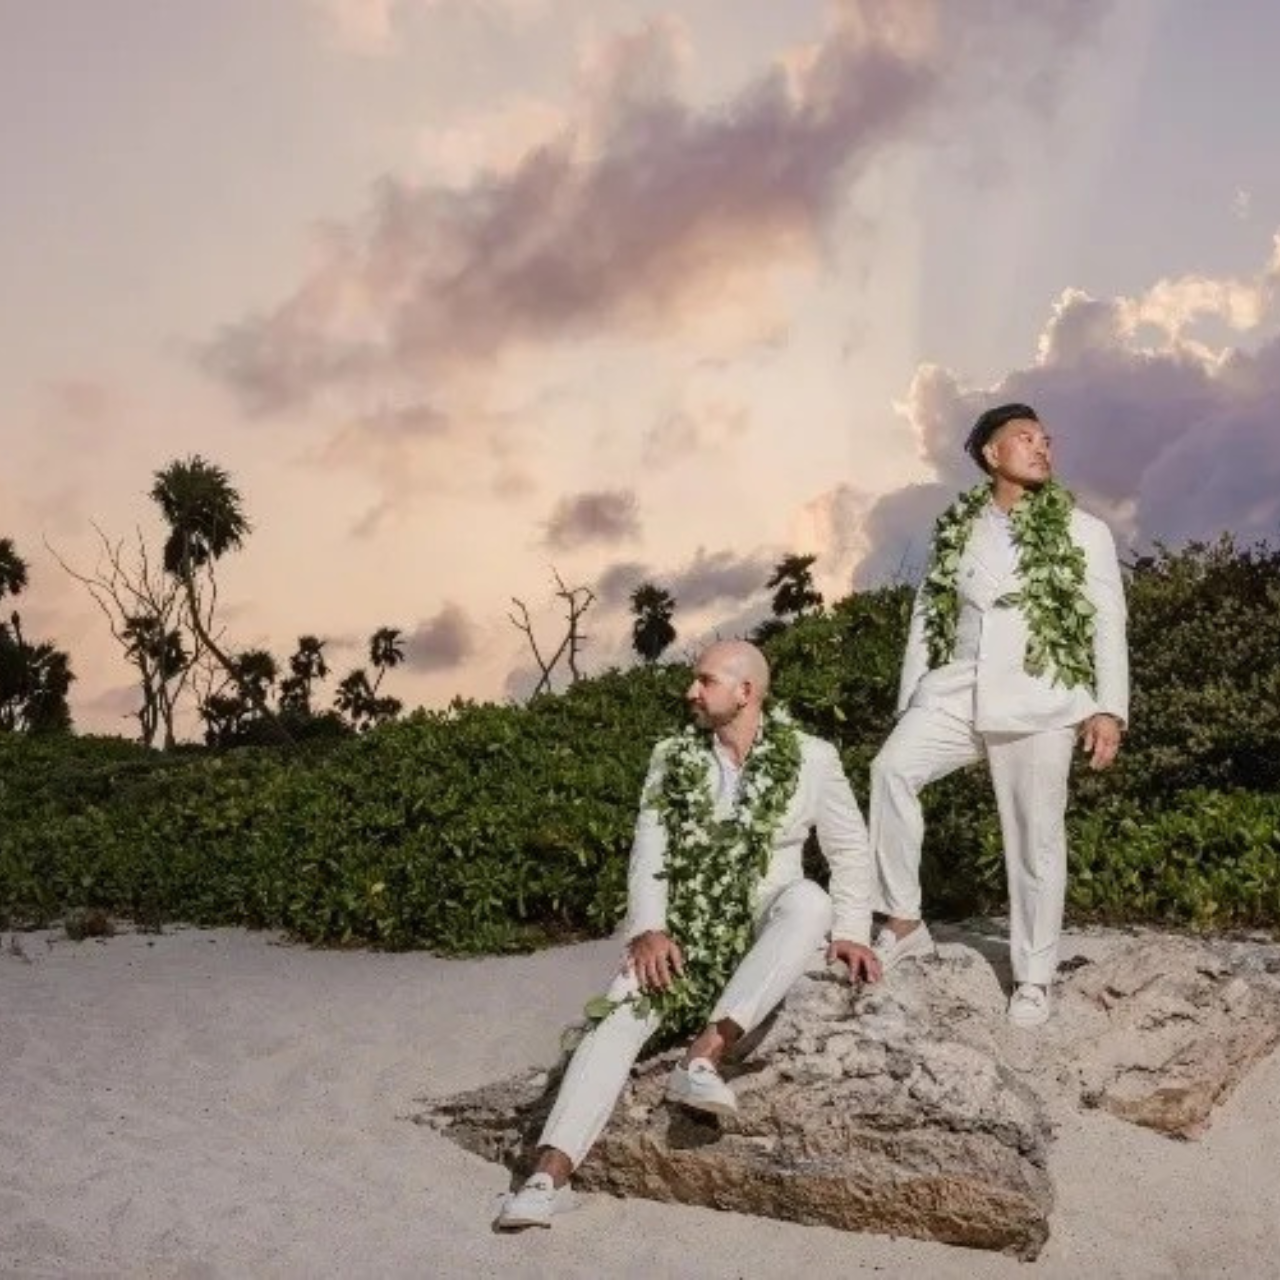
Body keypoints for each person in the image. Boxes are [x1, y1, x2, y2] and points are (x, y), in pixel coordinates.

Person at [496, 639, 879, 1230]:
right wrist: (650, 928)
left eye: (705, 681)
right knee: (621, 1007)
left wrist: (852, 930)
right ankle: (548, 1178)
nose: (690, 692)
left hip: (768, 920)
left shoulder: (813, 756)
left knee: (811, 900)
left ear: (745, 692)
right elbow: (649, 849)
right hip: (684, 931)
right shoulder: (670, 756)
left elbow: (849, 848)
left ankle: (704, 1055)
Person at [869, 403, 1129, 1028]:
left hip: (1043, 693)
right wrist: (912, 700)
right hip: (957, 689)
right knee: (890, 770)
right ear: (991, 454)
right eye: (1025, 438)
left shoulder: (1084, 530)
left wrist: (1108, 709)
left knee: (1036, 837)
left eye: (1046, 439)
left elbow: (1106, 622)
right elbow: (927, 618)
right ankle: (902, 921)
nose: (1041, 448)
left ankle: (1034, 977)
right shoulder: (956, 529)